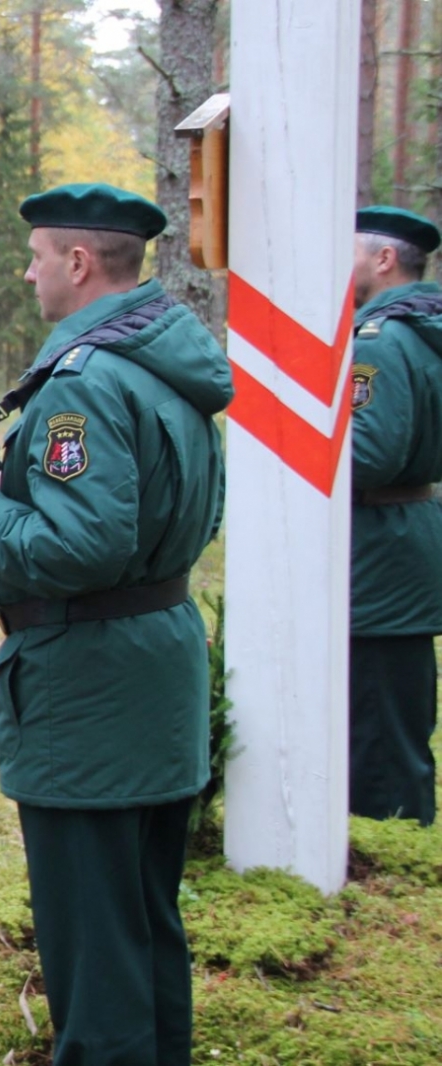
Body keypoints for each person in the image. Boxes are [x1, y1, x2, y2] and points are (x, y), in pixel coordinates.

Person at [0, 184, 232, 1066]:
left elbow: (83, 545)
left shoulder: (88, 385)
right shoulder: (163, 367)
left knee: (93, 943)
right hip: (151, 673)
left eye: (37, 257)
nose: (29, 273)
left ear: (77, 264)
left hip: (92, 690)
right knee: (143, 929)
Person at [347, 205, 442, 827]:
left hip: (379, 554)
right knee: (398, 710)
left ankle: (390, 840)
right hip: (405, 543)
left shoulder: (378, 342)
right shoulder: (422, 331)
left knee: (378, 721)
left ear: (384, 260)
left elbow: (369, 454)